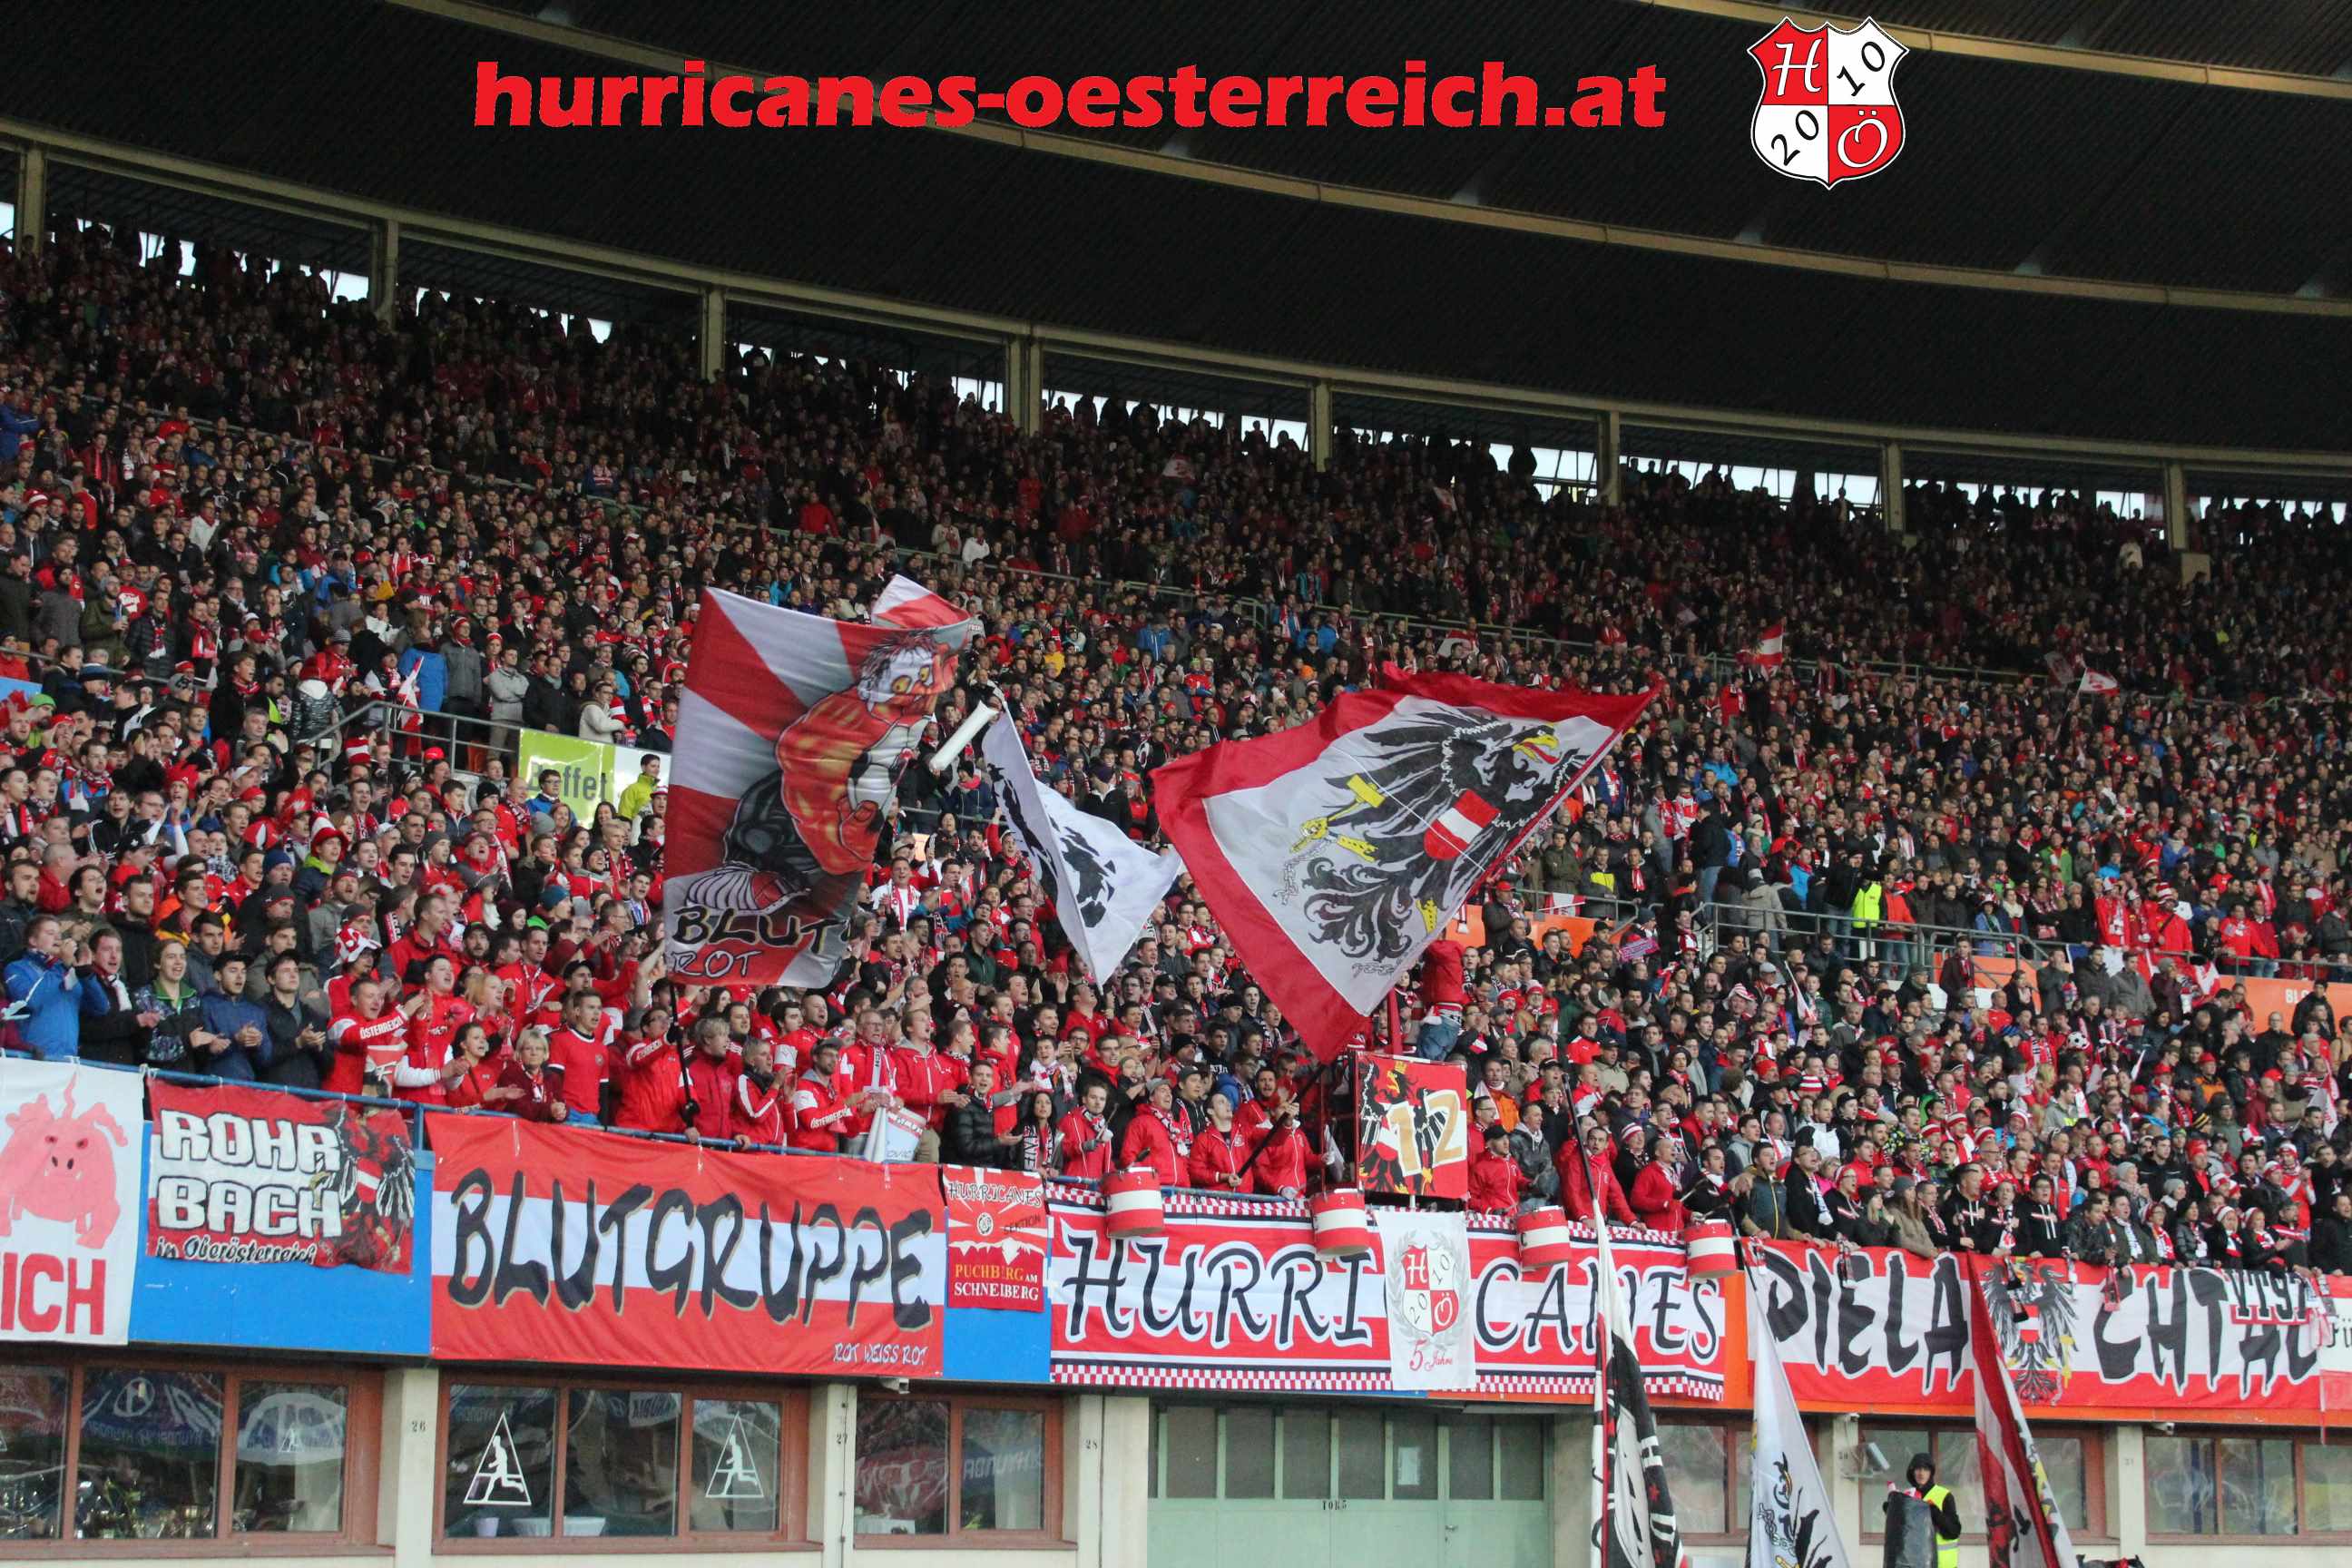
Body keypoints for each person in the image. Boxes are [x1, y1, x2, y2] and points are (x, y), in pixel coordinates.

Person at [1886, 1452, 1963, 1568]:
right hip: (1915, 1564)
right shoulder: (1908, 1496)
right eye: (1918, 1469)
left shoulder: (1944, 1495)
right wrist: (1892, 1509)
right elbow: (1903, 1531)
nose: (1921, 1473)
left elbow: (1954, 1532)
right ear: (1912, 1472)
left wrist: (1934, 1512)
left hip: (1943, 1565)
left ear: (1931, 1472)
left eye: (1926, 1469)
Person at [1059, 1082, 1118, 1179]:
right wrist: (1081, 1147)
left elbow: (1105, 1163)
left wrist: (1118, 1174)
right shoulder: (1069, 1120)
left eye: (1102, 1099)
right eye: (1093, 1097)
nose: (1098, 1102)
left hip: (1096, 1186)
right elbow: (1058, 1152)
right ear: (1084, 1099)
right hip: (1072, 1184)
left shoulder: (1103, 1126)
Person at [1468, 1122, 1525, 1213]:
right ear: (1489, 1144)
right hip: (1494, 1219)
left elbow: (1519, 1180)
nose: (1506, 1142)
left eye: (1507, 1138)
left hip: (1514, 1215)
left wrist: (1530, 1185)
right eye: (1500, 1139)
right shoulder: (1480, 1167)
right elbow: (1471, 1199)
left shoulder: (1511, 1161)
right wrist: (1490, 1211)